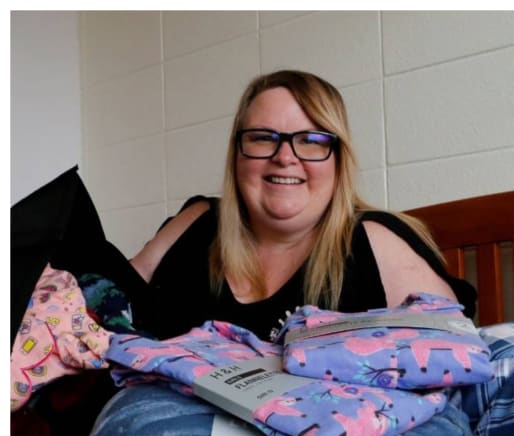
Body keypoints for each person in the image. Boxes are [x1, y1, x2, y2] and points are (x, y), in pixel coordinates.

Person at [129, 70, 474, 339]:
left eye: (310, 140)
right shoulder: (199, 220)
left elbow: (456, 354)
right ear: (236, 155)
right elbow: (106, 300)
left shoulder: (375, 241)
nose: (284, 157)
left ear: (339, 159)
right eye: (263, 138)